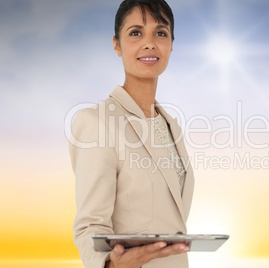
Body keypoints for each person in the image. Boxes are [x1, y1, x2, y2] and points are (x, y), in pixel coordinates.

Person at [68, 0, 194, 267]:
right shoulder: (97, 123)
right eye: (136, 32)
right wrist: (110, 264)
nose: (149, 43)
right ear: (117, 44)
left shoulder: (172, 126)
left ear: (171, 45)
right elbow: (88, 226)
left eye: (160, 33)